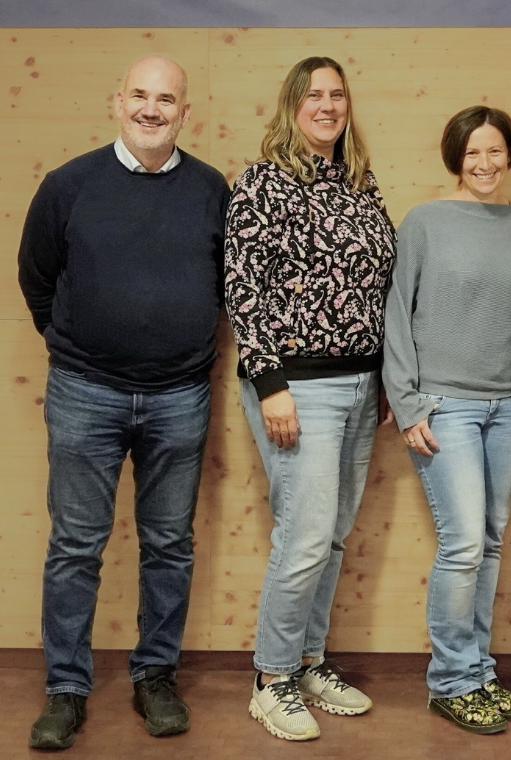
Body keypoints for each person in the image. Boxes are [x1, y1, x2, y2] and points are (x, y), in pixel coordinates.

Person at [17, 55, 229, 749]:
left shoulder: (210, 190)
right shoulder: (68, 185)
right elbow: (37, 275)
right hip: (85, 393)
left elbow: (229, 282)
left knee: (169, 545)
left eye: (166, 98)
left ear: (184, 112)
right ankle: (65, 689)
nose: (151, 108)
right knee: (76, 545)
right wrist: (73, 340)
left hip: (180, 396)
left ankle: (154, 677)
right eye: (140, 95)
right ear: (117, 103)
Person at [224, 56, 397, 742]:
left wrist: (386, 378)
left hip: (360, 385)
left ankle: (307, 660)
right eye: (314, 95)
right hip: (295, 386)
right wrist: (270, 384)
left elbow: (378, 287)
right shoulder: (261, 184)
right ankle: (270, 680)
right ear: (292, 105)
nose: (327, 105)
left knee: (328, 538)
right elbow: (242, 287)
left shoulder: (360, 182)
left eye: (337, 95)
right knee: (301, 539)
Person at [382, 105, 511, 735]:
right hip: (444, 409)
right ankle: (451, 680)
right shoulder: (425, 222)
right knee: (461, 545)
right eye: (472, 154)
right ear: (454, 157)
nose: (485, 164)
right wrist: (407, 404)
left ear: (509, 155)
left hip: (508, 408)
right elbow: (396, 316)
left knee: (487, 542)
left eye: (495, 152)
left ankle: (479, 672)